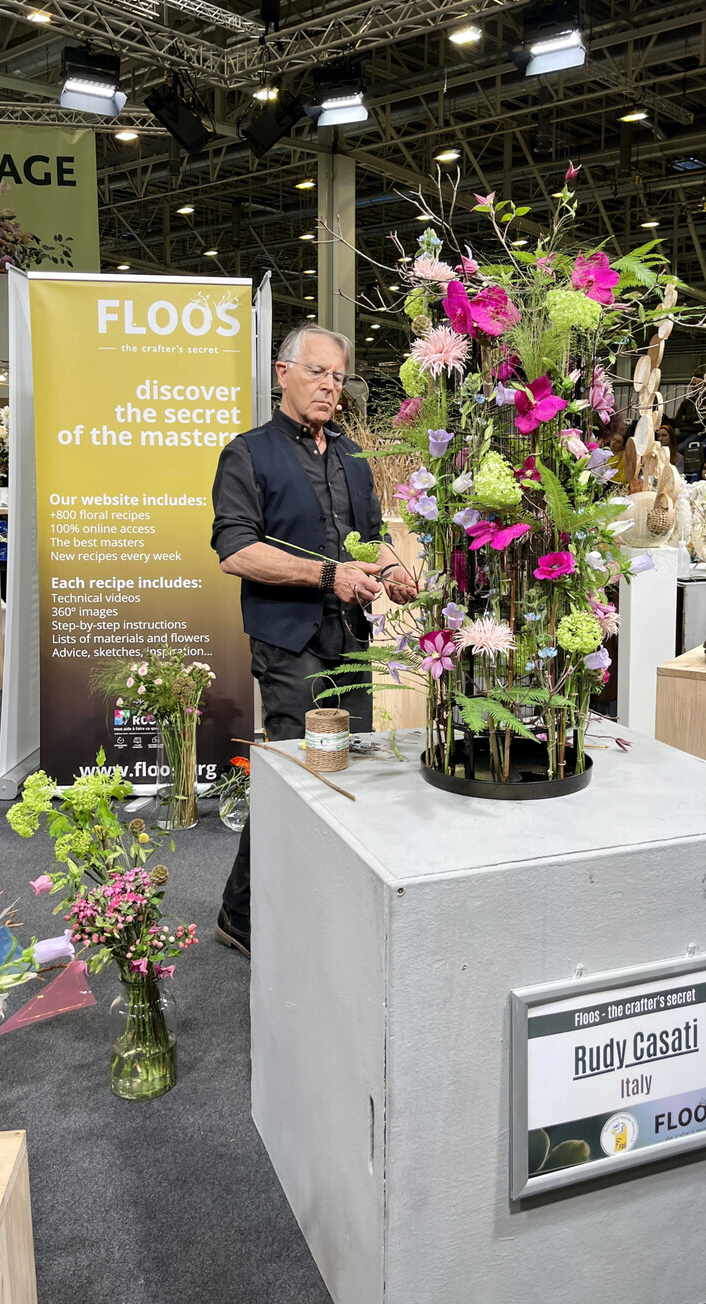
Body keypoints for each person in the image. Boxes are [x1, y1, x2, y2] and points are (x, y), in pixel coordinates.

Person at [210, 325, 418, 957]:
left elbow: (371, 537)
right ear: (282, 374)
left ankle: (319, 899)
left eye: (338, 376)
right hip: (289, 640)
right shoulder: (247, 454)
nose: (329, 385)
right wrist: (328, 575)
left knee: (344, 768)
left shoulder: (355, 457)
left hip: (351, 638)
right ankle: (241, 914)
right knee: (301, 775)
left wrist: (391, 571)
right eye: (317, 372)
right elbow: (236, 551)